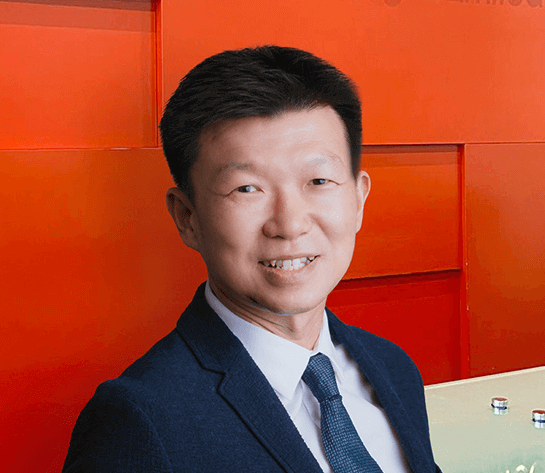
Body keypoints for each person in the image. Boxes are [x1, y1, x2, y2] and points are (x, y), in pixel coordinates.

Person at [62, 46, 440, 473]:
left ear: (358, 199)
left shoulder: (393, 369)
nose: (290, 224)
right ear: (187, 217)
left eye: (319, 180)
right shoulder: (141, 420)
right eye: (247, 189)